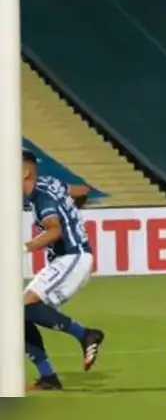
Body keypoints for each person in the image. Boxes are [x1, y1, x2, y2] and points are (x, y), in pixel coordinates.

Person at [21, 150, 105, 391]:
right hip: (68, 258)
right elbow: (79, 190)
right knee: (17, 315)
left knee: (21, 308)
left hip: (72, 256)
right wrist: (78, 204)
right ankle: (48, 377)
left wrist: (23, 248)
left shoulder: (41, 196)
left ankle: (85, 335)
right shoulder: (50, 182)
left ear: (25, 172)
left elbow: (54, 230)